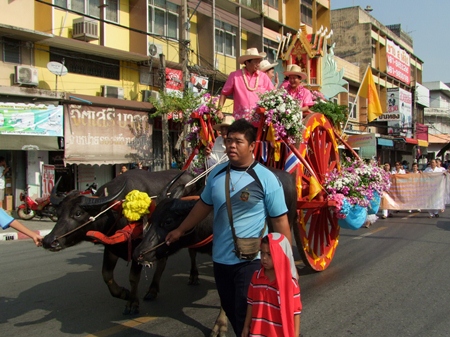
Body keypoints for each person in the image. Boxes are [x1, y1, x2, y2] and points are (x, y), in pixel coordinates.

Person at [165, 119, 291, 336]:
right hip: (220, 260)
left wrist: (284, 263)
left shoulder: (266, 179)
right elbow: (202, 206)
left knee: (245, 313)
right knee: (232, 311)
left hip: (250, 260)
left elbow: (280, 222)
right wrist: (180, 230)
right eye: (228, 140)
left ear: (252, 146)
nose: (231, 145)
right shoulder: (216, 174)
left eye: (238, 141)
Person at [242, 233, 301, 337]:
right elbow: (250, 303)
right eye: (262, 253)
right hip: (257, 333)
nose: (264, 258)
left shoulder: (291, 285)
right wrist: (246, 326)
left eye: (269, 254)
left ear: (280, 254)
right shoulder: (256, 277)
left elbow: (295, 314)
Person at [217, 48, 274, 123]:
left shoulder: (263, 77)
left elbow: (273, 95)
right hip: (240, 121)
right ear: (247, 62)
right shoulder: (235, 76)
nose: (258, 64)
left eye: (259, 61)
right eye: (256, 62)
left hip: (259, 122)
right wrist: (219, 110)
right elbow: (224, 93)